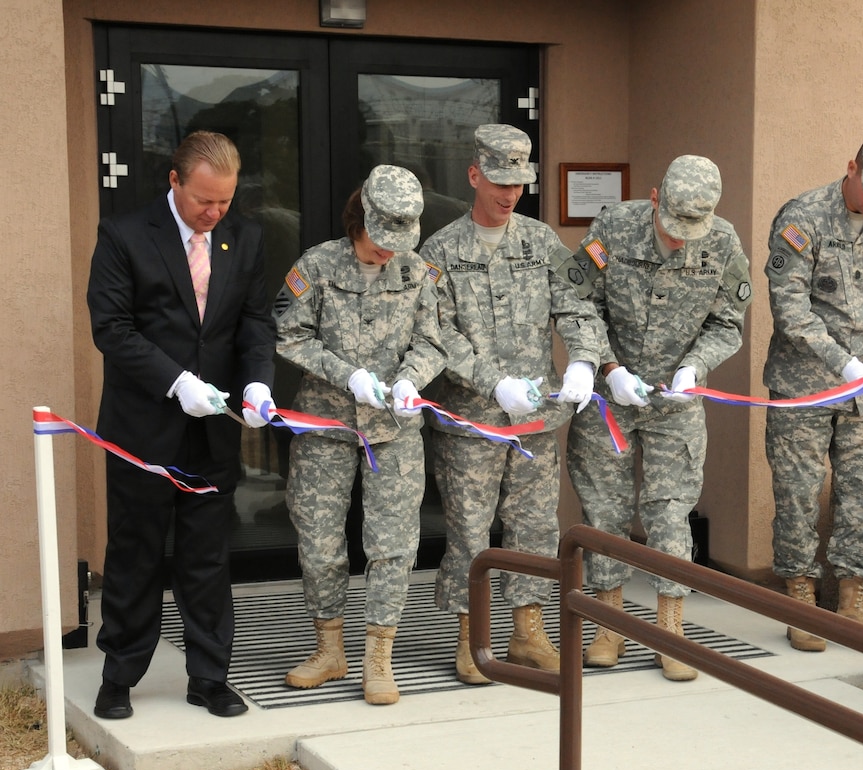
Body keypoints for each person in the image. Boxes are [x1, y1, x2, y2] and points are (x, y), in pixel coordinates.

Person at [87, 130, 277, 719]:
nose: (214, 213)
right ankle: (120, 674)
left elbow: (254, 322)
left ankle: (209, 676)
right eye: (203, 201)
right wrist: (176, 381)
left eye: (224, 201)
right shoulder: (124, 235)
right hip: (142, 423)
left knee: (207, 554)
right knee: (136, 550)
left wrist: (257, 382)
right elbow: (112, 328)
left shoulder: (245, 238)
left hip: (212, 430)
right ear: (174, 182)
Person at [419, 123, 603, 684]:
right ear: (474, 175)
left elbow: (577, 306)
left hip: (534, 423)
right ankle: (470, 639)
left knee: (534, 526)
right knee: (470, 532)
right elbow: (436, 333)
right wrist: (492, 380)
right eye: (499, 182)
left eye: (518, 185)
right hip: (470, 421)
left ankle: (527, 632)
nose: (508, 195)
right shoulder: (440, 250)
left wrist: (582, 360)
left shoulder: (541, 241)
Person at [563, 155, 753, 681]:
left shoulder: (723, 243)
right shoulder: (613, 227)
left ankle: (671, 630)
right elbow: (577, 299)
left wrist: (696, 365)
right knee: (606, 510)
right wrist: (605, 364)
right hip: (611, 396)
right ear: (654, 198)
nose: (679, 241)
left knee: (671, 512)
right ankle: (609, 625)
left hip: (676, 402)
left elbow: (727, 322)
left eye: (690, 232)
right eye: (672, 229)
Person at [273, 165, 446, 705]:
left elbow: (434, 343)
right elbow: (286, 334)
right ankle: (329, 649)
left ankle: (378, 658)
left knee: (392, 545)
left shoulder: (419, 272)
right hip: (326, 428)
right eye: (380, 242)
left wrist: (409, 380)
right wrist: (345, 373)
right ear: (359, 219)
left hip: (393, 432)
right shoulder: (316, 266)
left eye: (399, 244)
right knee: (321, 541)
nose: (388, 253)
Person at [762, 122, 863, 651]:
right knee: (798, 493)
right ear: (851, 167)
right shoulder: (802, 216)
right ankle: (800, 597)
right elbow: (789, 308)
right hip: (804, 385)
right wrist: (844, 363)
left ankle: (854, 597)